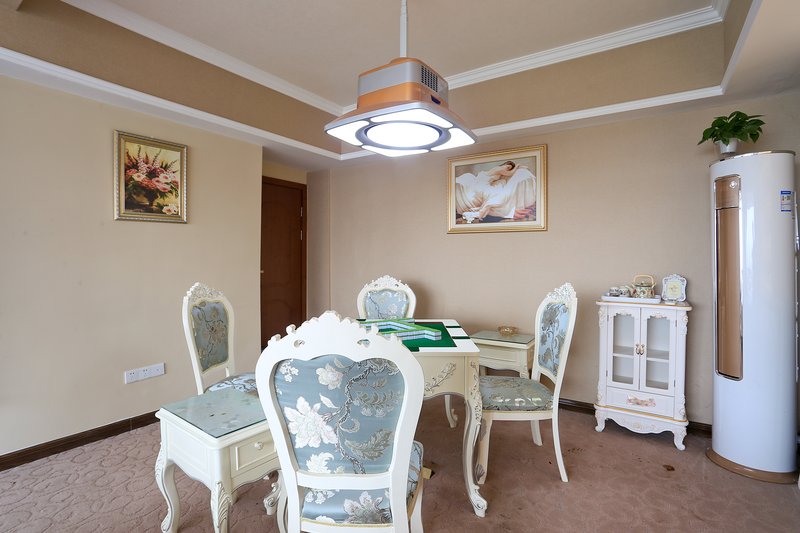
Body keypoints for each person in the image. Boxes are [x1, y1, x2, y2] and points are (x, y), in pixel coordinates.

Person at [455, 161, 536, 222]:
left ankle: (480, 211)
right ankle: (480, 212)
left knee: (495, 198)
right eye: (508, 167)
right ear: (505, 165)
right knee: (495, 198)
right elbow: (510, 173)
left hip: (483, 185)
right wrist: (518, 166)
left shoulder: (500, 176)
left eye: (510, 168)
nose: (508, 169)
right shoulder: (500, 170)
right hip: (481, 185)